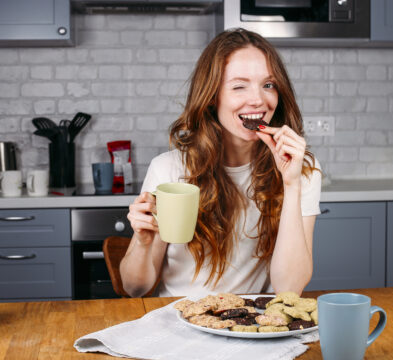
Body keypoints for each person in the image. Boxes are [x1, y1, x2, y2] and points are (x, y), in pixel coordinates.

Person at [120, 28, 322, 298]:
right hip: (177, 322)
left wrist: (292, 183)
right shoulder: (168, 169)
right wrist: (143, 242)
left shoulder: (301, 169)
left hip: (250, 324)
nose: (258, 100)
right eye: (239, 86)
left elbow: (289, 289)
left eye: (269, 85)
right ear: (213, 97)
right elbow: (135, 288)